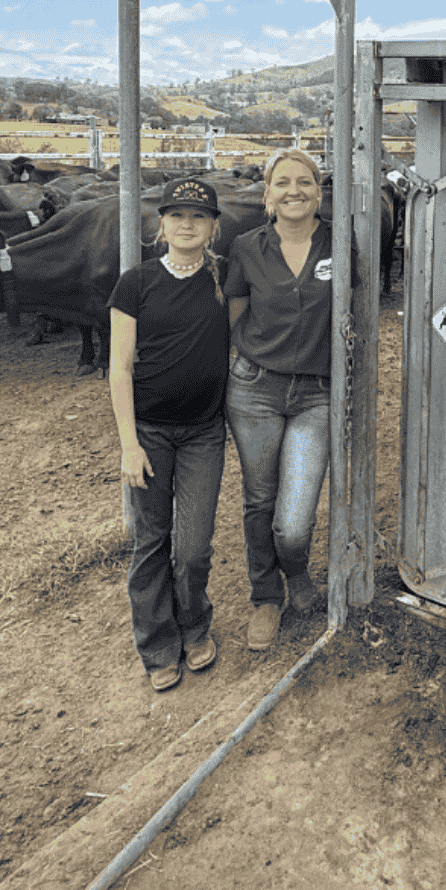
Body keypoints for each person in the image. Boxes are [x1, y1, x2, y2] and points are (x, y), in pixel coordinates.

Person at [223, 147, 355, 651]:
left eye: (304, 181)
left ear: (319, 192)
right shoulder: (246, 247)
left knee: (294, 520)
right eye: (282, 182)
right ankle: (266, 595)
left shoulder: (341, 243)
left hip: (316, 395)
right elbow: (236, 310)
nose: (293, 191)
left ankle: (295, 567)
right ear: (267, 194)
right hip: (254, 389)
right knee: (259, 498)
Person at [108, 177, 229, 693]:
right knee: (151, 540)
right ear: (161, 224)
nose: (187, 224)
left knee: (193, 547)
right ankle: (158, 645)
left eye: (199, 216)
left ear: (213, 227)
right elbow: (119, 367)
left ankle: (194, 624)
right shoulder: (135, 283)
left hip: (204, 433)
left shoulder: (225, 278)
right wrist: (129, 445)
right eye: (177, 215)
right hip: (150, 433)